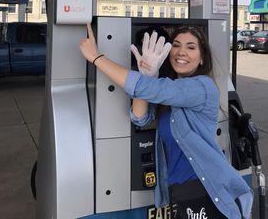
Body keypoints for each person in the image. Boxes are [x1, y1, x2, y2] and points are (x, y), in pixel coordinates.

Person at [79, 24, 253, 219]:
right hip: (181, 191)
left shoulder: (202, 87)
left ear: (202, 57)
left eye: (191, 47)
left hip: (206, 192)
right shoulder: (169, 92)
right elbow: (140, 117)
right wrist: (146, 76)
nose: (181, 52)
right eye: (176, 45)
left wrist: (96, 58)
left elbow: (149, 89)